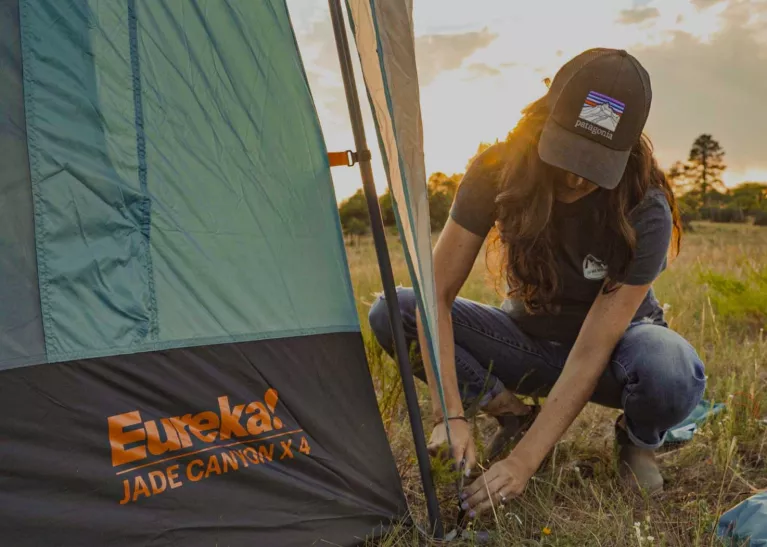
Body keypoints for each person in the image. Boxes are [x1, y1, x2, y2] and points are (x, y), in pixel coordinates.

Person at [368, 48, 706, 517]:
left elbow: (593, 348)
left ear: (626, 152)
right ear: (546, 121)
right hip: (527, 342)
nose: (575, 176)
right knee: (394, 309)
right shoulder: (496, 169)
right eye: (568, 152)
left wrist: (524, 464)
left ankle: (637, 441)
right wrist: (451, 414)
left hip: (615, 356)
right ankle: (514, 416)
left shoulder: (644, 207)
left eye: (595, 163)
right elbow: (436, 296)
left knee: (671, 367)